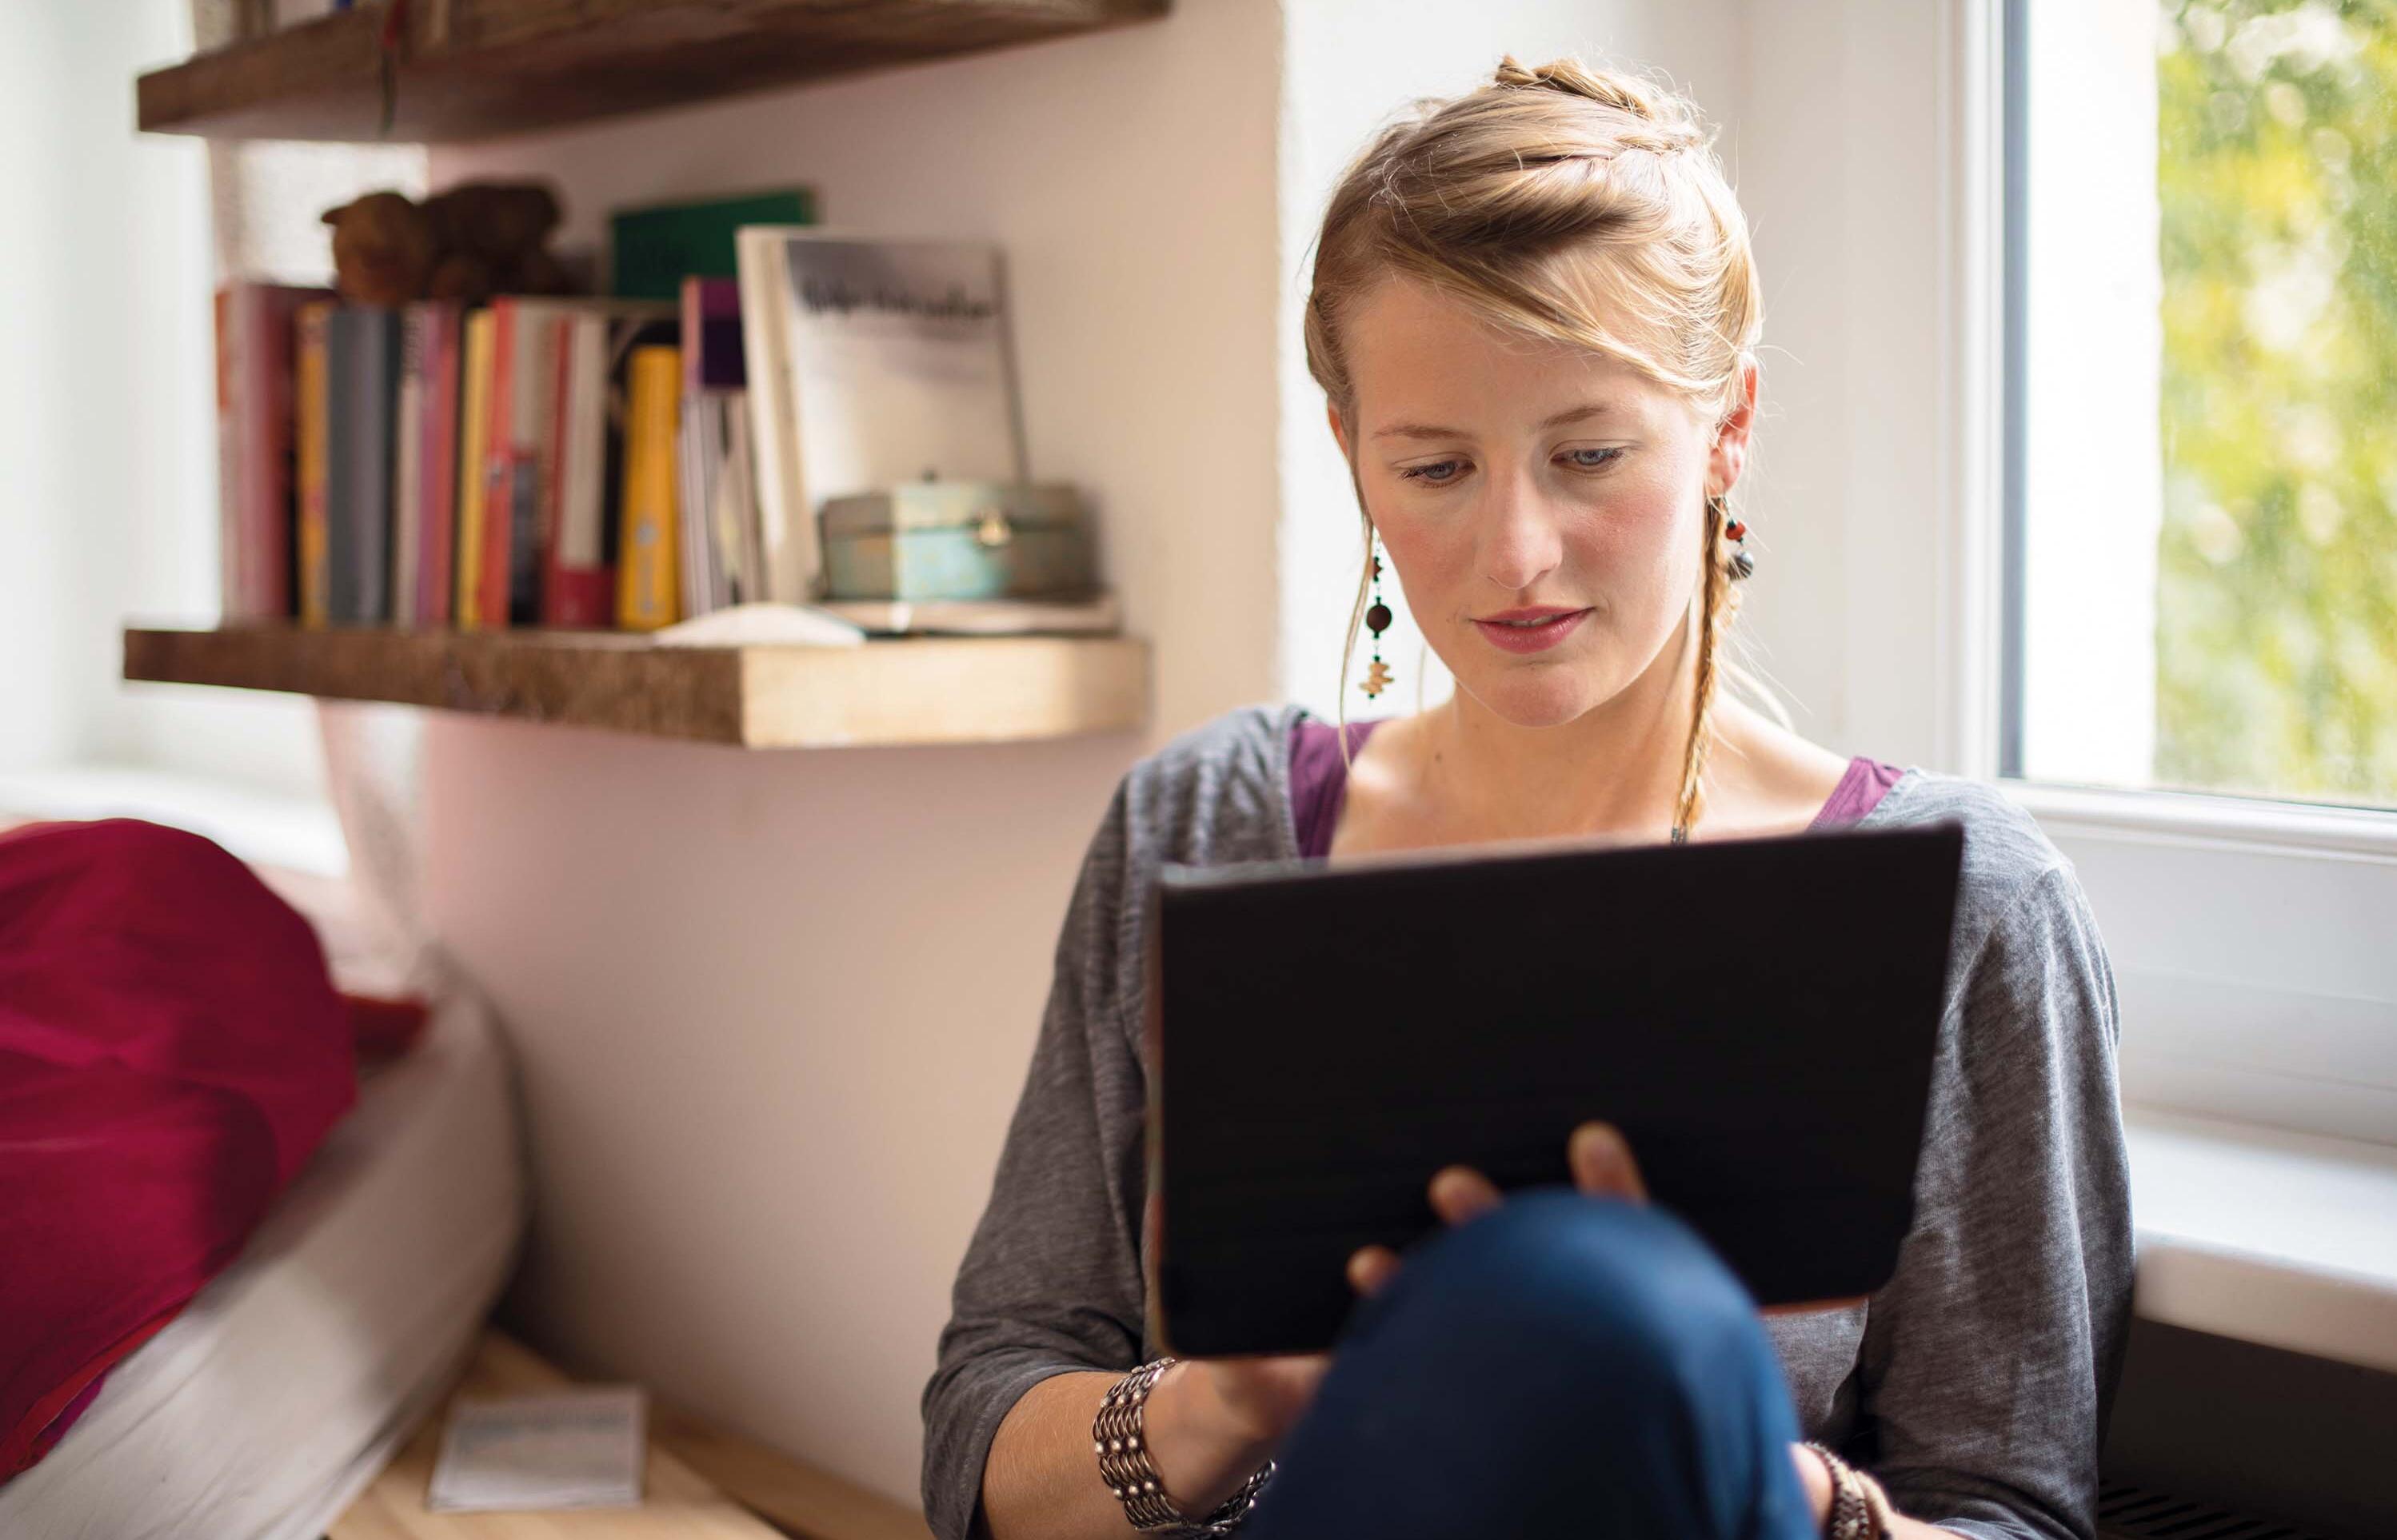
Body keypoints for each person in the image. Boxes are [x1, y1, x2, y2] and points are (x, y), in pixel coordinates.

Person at [921, 56, 2132, 1540]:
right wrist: (1221, 1403)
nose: (1514, 553)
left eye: (1588, 455)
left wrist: (1749, 1477)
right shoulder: (1206, 825)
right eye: (1432, 466)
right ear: (1352, 460)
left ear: (1727, 425)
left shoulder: (1968, 909)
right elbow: (980, 1438)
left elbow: (2016, 1512)